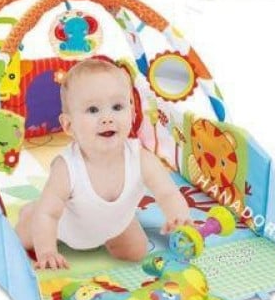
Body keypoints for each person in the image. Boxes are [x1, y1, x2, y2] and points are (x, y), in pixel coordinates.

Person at [16, 57, 190, 269]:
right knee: (24, 236)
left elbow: (167, 193)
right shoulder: (67, 168)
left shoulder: (140, 158)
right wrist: (47, 251)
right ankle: (29, 213)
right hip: (66, 228)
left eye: (117, 107)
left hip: (116, 224)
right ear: (69, 125)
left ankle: (111, 229)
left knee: (137, 252)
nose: (107, 118)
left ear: (132, 113)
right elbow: (49, 214)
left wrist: (178, 216)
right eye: (93, 110)